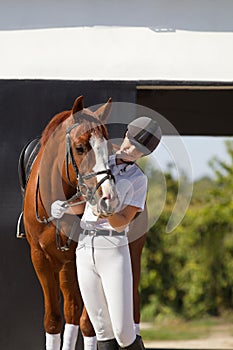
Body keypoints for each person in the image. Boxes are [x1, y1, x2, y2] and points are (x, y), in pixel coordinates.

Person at [51, 116, 162, 350]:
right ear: (125, 136)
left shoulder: (138, 180)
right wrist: (64, 207)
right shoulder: (101, 161)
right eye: (129, 141)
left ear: (143, 155)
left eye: (137, 150)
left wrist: (106, 212)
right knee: (102, 330)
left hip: (113, 250)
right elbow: (84, 204)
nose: (129, 149)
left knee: (123, 332)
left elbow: (121, 223)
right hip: (85, 247)